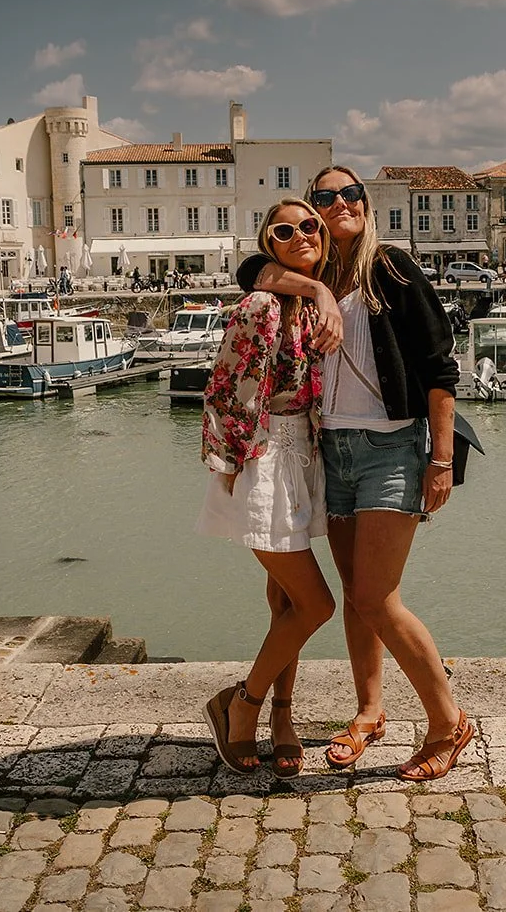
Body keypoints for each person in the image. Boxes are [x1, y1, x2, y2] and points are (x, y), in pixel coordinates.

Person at [236, 165, 474, 782]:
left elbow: (440, 369)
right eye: (323, 199)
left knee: (376, 597)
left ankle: (448, 722)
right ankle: (370, 711)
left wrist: (440, 460)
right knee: (355, 595)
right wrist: (314, 290)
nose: (338, 204)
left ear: (366, 206)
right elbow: (248, 271)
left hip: (392, 449)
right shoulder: (313, 275)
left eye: (351, 194)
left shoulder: (389, 267)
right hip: (332, 451)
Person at [197, 198, 335, 777]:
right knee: (317, 603)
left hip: (302, 453)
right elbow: (228, 383)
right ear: (269, 244)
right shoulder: (262, 303)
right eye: (286, 230)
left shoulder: (309, 302)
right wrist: (226, 459)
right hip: (262, 454)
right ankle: (241, 706)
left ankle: (282, 716)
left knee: (284, 600)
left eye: (311, 226)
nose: (301, 234)